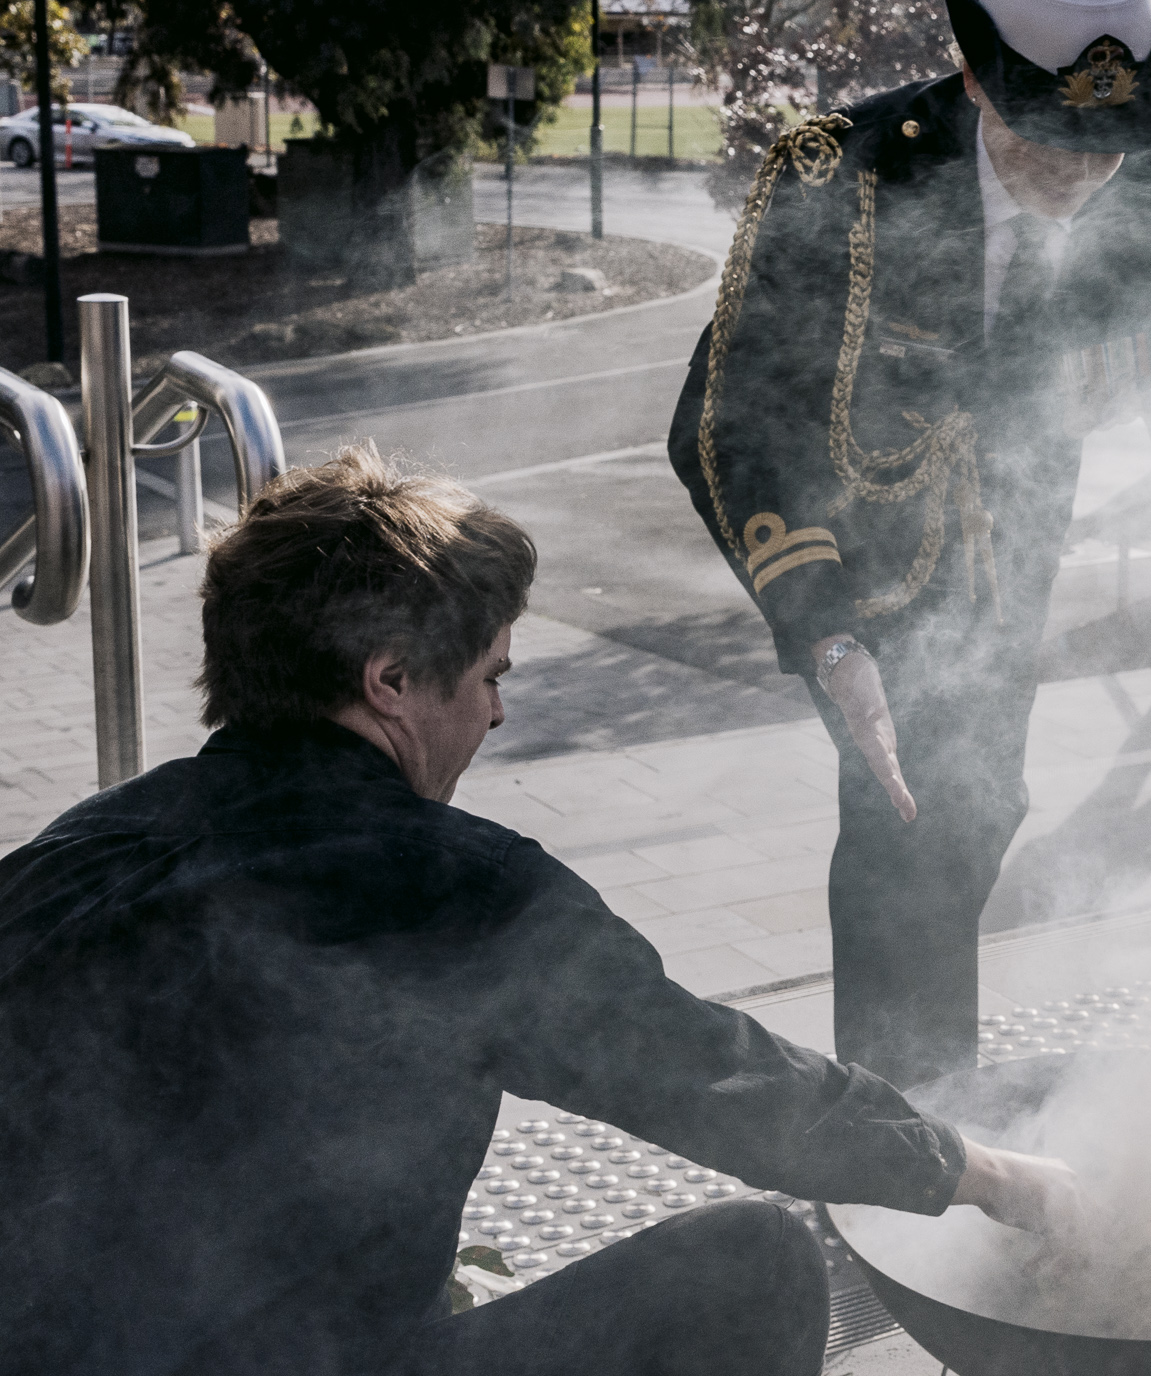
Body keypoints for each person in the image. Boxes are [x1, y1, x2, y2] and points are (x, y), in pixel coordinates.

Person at [0, 447, 1073, 1376]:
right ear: (391, 681)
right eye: (489, 675)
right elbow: (722, 1079)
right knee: (753, 1265)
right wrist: (986, 1172)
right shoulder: (445, 889)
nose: (499, 713)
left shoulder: (70, 855)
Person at [669, 0, 1151, 1088]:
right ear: (974, 80)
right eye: (1050, 139)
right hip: (856, 561)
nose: (1078, 176)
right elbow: (727, 420)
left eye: (1104, 146)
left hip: (1011, 559)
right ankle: (909, 1133)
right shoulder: (837, 177)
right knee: (910, 834)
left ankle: (921, 1109)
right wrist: (828, 632)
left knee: (981, 811)